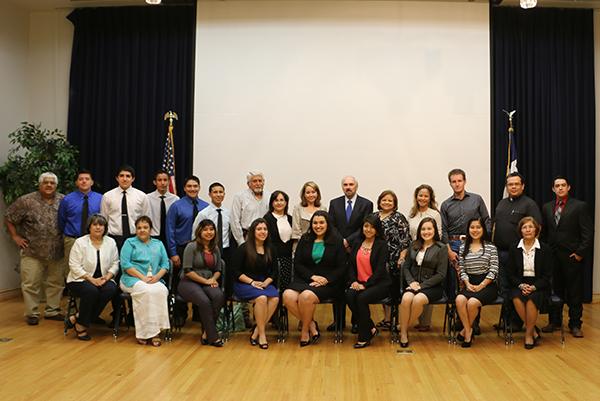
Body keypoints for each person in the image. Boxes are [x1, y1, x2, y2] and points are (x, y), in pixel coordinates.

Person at [5, 172, 65, 325]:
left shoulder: (63, 200)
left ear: (56, 185)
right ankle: (32, 313)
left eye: (52, 183)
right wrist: (15, 237)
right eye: (46, 182)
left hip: (57, 250)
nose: (49, 185)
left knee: (56, 282)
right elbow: (9, 216)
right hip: (32, 250)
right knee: (30, 283)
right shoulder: (26, 201)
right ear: (40, 184)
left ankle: (53, 310)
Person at [283, 211, 346, 346]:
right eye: (315, 223)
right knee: (287, 296)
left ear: (328, 224)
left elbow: (341, 267)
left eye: (321, 222)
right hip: (306, 279)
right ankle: (312, 325)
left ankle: (305, 332)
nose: (318, 226)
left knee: (306, 297)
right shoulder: (305, 239)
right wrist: (312, 276)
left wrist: (326, 279)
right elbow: (298, 263)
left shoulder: (337, 240)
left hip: (329, 283)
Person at [541, 176, 593, 338]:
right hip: (553, 257)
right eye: (557, 186)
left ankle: (575, 324)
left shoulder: (579, 206)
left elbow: (587, 233)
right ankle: (555, 321)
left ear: (569, 187)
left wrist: (579, 253)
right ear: (553, 189)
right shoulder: (547, 207)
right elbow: (545, 232)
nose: (560, 188)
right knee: (555, 290)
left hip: (571, 256)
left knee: (574, 292)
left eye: (563, 185)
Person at [440, 168, 490, 334]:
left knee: (474, 280)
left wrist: (483, 243)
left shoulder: (476, 199)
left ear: (464, 181)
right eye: (453, 181)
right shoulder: (446, 204)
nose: (457, 184)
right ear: (450, 183)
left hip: (474, 244)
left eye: (459, 180)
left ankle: (474, 322)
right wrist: (448, 250)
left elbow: (486, 221)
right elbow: (444, 230)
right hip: (454, 246)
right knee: (457, 284)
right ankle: (460, 321)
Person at [493, 172, 542, 331]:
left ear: (522, 186)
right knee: (504, 287)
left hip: (519, 254)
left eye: (516, 184)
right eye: (510, 184)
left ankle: (516, 322)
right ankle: (506, 320)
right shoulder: (501, 203)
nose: (513, 187)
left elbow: (537, 228)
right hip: (500, 252)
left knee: (516, 287)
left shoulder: (529, 204)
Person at [327, 175, 373, 332]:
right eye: (345, 184)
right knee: (338, 285)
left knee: (356, 285)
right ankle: (338, 322)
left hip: (357, 249)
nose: (348, 187)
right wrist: (341, 242)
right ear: (342, 187)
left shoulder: (366, 204)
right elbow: (331, 226)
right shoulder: (334, 203)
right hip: (337, 250)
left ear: (356, 186)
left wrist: (349, 241)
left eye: (351, 184)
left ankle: (356, 321)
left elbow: (365, 227)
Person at [66, 214, 119, 340]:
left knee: (111, 289)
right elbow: (74, 265)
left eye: (101, 225)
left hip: (104, 279)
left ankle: (78, 318)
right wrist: (91, 279)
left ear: (105, 228)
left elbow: (115, 263)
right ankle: (81, 326)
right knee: (91, 290)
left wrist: (107, 277)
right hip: (80, 279)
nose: (98, 227)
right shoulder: (80, 242)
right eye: (95, 224)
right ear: (89, 227)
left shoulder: (111, 242)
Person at [120, 216, 171, 346]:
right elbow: (125, 264)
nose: (142, 230)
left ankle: (157, 330)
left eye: (145, 227)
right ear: (135, 230)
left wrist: (157, 277)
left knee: (161, 290)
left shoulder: (158, 244)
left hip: (154, 279)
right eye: (139, 228)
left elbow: (165, 264)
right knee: (145, 291)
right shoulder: (129, 242)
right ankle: (145, 333)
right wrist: (142, 278)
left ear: (150, 229)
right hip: (132, 279)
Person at [231, 218, 279, 349]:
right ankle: (262, 335)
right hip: (244, 282)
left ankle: (256, 330)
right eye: (259, 229)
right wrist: (252, 282)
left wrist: (266, 282)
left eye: (265, 229)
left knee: (274, 298)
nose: (262, 232)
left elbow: (275, 271)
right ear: (253, 231)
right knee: (262, 298)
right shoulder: (243, 248)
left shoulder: (271, 248)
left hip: (263, 282)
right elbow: (235, 271)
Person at [166, 176, 209, 325]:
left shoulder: (205, 206)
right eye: (189, 186)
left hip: (201, 249)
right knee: (181, 281)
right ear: (184, 188)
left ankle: (199, 313)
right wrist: (173, 253)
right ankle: (180, 314)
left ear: (199, 187)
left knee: (200, 278)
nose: (192, 189)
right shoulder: (176, 206)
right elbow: (170, 230)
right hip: (182, 248)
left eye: (195, 186)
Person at [399, 217, 447, 348]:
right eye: (423, 229)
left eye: (429, 229)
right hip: (414, 283)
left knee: (418, 300)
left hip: (432, 286)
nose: (426, 232)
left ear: (434, 230)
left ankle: (404, 327)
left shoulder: (441, 247)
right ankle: (403, 333)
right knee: (406, 298)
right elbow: (406, 267)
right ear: (420, 231)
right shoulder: (414, 245)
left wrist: (421, 286)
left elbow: (441, 274)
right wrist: (411, 282)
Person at [178, 219, 225, 347]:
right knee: (204, 301)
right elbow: (187, 270)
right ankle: (213, 337)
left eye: (211, 229)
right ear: (199, 231)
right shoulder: (191, 246)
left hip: (208, 281)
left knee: (218, 296)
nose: (209, 232)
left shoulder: (215, 248)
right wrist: (206, 281)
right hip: (188, 282)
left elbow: (218, 269)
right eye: (205, 229)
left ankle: (206, 333)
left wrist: (213, 279)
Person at [346, 214, 391, 348]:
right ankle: (370, 326)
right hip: (359, 282)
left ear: (377, 229)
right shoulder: (357, 242)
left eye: (372, 227)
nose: (368, 229)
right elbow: (351, 265)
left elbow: (379, 271)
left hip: (379, 284)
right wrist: (353, 281)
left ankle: (364, 336)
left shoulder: (381, 245)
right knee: (349, 295)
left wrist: (365, 285)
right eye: (366, 226)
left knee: (361, 298)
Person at [507, 217, 552, 349]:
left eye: (530, 227)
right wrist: (521, 285)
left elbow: (547, 275)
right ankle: (533, 331)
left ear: (536, 230)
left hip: (539, 284)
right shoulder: (514, 248)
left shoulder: (545, 249)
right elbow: (510, 273)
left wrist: (534, 287)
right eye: (524, 227)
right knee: (516, 297)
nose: (527, 230)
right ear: (520, 231)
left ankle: (528, 334)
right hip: (519, 283)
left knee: (532, 299)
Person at [455, 218, 499, 348]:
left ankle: (465, 332)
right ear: (468, 230)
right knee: (459, 300)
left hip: (488, 284)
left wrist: (482, 285)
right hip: (469, 282)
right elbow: (462, 269)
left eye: (478, 227)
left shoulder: (491, 247)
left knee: (472, 303)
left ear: (483, 229)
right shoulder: (463, 247)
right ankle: (469, 330)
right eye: (472, 227)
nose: (475, 230)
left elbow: (494, 269)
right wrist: (467, 284)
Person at [406, 184, 442, 331]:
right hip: (414, 250)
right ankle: (411, 320)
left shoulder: (435, 214)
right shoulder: (411, 214)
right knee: (415, 281)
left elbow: (439, 233)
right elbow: (408, 235)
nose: (423, 198)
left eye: (426, 195)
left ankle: (424, 322)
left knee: (428, 282)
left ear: (430, 198)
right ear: (416, 197)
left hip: (431, 250)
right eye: (420, 195)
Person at [373, 190, 410, 331]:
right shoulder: (374, 217)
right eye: (384, 200)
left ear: (394, 203)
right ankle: (387, 319)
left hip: (394, 259)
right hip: (377, 259)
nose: (386, 202)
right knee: (382, 290)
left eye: (390, 200)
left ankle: (395, 320)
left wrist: (402, 257)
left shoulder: (399, 218)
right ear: (379, 201)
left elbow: (405, 241)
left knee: (392, 291)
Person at [58, 169, 103, 277]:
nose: (84, 181)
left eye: (87, 179)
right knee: (71, 270)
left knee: (93, 268)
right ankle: (72, 293)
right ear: (76, 182)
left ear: (92, 182)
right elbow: (61, 220)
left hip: (93, 240)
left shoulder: (101, 198)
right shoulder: (67, 199)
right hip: (72, 240)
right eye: (81, 179)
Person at [192, 182, 234, 294]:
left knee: (225, 282)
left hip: (225, 250)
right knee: (210, 282)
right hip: (208, 251)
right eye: (215, 192)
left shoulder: (229, 213)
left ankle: (223, 308)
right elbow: (194, 235)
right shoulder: (203, 214)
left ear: (224, 194)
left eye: (221, 192)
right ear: (210, 194)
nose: (218, 195)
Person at [100, 165, 149, 250]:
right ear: (117, 178)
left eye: (128, 176)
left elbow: (145, 219)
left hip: (136, 238)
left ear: (133, 179)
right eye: (121, 176)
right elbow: (104, 219)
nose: (124, 179)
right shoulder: (107, 196)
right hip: (113, 239)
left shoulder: (142, 196)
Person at [230, 171, 270, 246]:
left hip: (263, 237)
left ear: (263, 182)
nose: (258, 184)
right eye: (254, 181)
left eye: (260, 181)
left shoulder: (269, 196)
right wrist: (241, 241)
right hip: (246, 237)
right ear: (248, 184)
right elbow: (234, 220)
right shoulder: (240, 197)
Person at [263, 190, 293, 289]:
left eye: (282, 200)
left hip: (288, 259)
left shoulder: (290, 218)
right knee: (275, 286)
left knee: (287, 286)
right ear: (272, 203)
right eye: (276, 200)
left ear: (286, 202)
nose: (279, 203)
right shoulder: (267, 218)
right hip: (273, 259)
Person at [146, 169, 179, 249]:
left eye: (165, 180)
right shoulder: (147, 198)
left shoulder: (175, 199)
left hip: (170, 238)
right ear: (155, 182)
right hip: (153, 237)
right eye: (159, 180)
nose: (162, 183)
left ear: (169, 182)